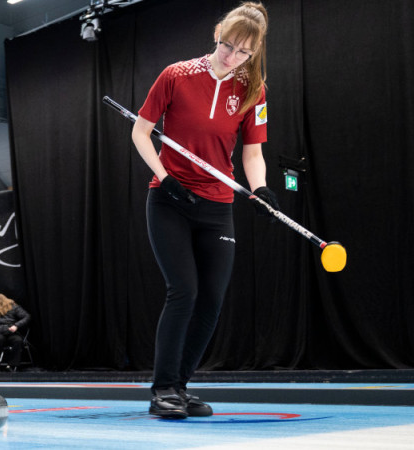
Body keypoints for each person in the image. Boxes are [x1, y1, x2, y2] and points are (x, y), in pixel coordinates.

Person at [131, 2, 278, 419]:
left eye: (243, 52)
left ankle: (180, 384)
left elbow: (252, 154)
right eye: (227, 45)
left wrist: (262, 188)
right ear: (217, 33)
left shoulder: (254, 91)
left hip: (218, 205)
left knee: (211, 299)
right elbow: (141, 132)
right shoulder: (175, 75)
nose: (231, 57)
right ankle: (162, 389)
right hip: (170, 199)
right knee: (185, 291)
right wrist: (165, 176)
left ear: (255, 52)